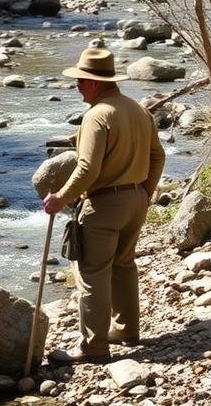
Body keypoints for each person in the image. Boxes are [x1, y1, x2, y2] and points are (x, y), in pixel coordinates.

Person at [42, 48, 165, 364]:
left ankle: (94, 348)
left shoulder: (96, 116)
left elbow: (87, 169)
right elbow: (158, 155)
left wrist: (61, 199)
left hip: (104, 205)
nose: (78, 87)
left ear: (95, 83)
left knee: (93, 274)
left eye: (81, 81)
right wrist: (145, 192)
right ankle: (126, 330)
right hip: (136, 200)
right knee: (123, 265)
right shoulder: (139, 110)